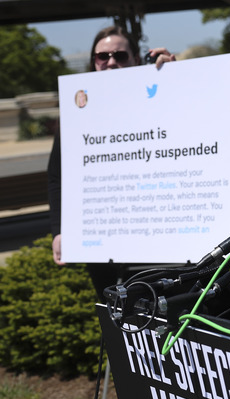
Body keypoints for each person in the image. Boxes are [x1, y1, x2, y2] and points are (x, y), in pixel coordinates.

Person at [48, 25, 175, 297]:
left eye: (120, 55)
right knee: (117, 324)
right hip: (103, 241)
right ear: (93, 62)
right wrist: (59, 230)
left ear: (137, 59)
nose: (111, 62)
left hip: (159, 237)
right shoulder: (75, 112)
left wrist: (177, 78)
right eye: (102, 56)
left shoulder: (163, 96)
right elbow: (58, 176)